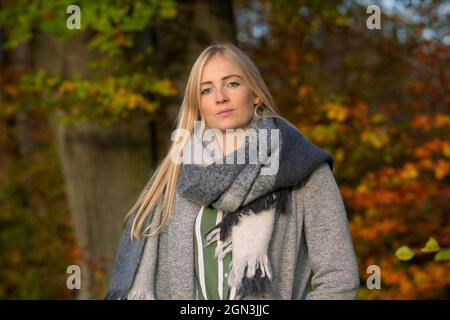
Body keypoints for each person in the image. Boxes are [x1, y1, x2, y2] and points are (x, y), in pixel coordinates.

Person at [105, 42, 360, 300]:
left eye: (232, 83)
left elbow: (339, 278)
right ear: (198, 104)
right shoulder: (175, 176)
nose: (220, 97)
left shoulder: (303, 168)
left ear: (256, 94)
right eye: (206, 90)